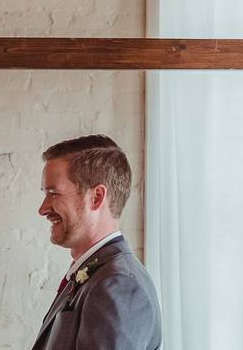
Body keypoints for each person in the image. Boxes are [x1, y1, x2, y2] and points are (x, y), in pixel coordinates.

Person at [32, 135, 161, 350]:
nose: (43, 209)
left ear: (96, 197)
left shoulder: (119, 285)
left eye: (53, 194)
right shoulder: (96, 274)